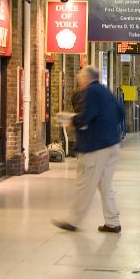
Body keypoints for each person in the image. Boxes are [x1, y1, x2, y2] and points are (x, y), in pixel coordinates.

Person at [52, 66, 124, 233]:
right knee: (105, 185)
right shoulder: (106, 91)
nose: (79, 79)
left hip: (96, 147)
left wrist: (70, 120)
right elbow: (120, 113)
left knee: (85, 185)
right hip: (112, 144)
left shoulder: (90, 92)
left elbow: (85, 118)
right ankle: (113, 222)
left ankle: (73, 220)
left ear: (87, 78)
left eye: (80, 76)